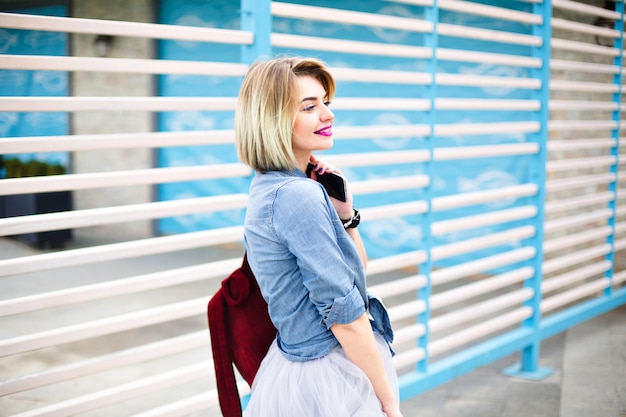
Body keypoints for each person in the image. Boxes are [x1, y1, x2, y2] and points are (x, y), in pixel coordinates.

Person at [235, 56, 402, 417]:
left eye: (325, 102)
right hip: (327, 373)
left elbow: (355, 270)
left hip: (299, 367)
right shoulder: (298, 196)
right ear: (273, 119)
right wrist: (389, 402)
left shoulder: (271, 187)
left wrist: (345, 215)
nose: (327, 115)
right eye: (309, 106)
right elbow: (346, 316)